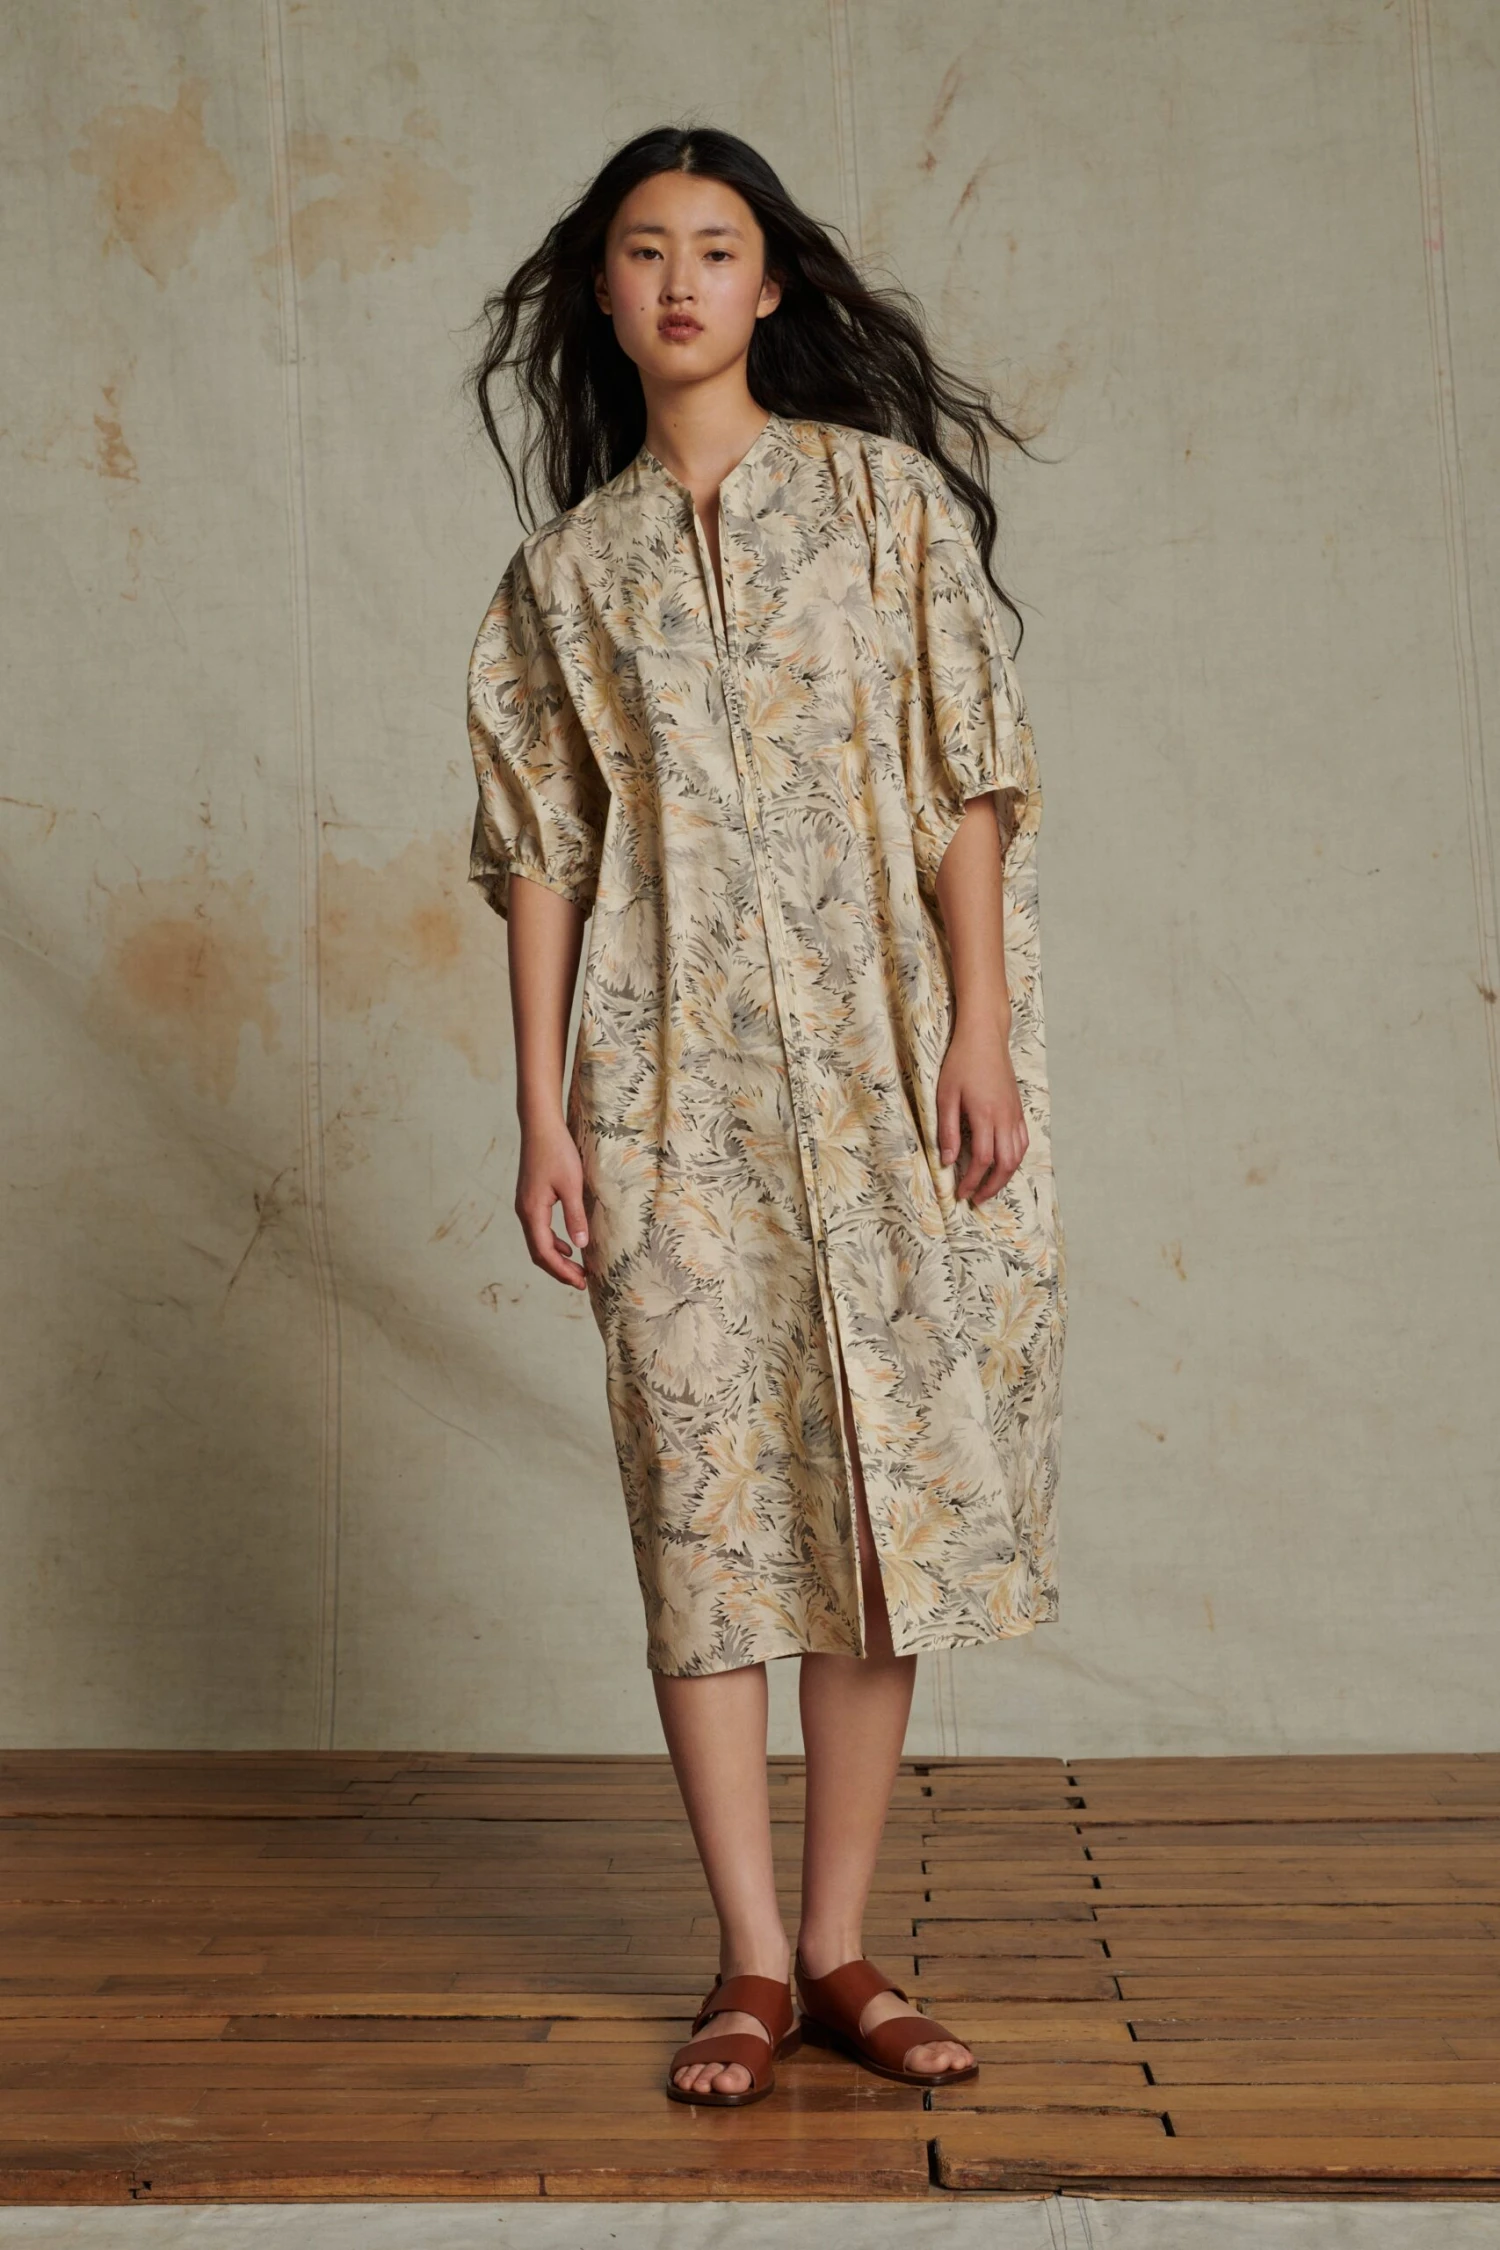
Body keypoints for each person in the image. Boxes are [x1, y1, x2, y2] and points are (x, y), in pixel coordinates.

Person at [465, 125, 1066, 2109]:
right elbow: (540, 853)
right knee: (705, 1505)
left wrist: (979, 1030)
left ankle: (840, 1949)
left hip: (887, 1065)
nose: (681, 281)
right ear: (603, 291)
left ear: (773, 282)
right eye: (644, 251)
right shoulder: (569, 575)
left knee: (876, 1498)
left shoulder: (883, 503)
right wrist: (544, 1114)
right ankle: (742, 1959)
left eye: (716, 248)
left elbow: (968, 774)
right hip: (667, 1090)